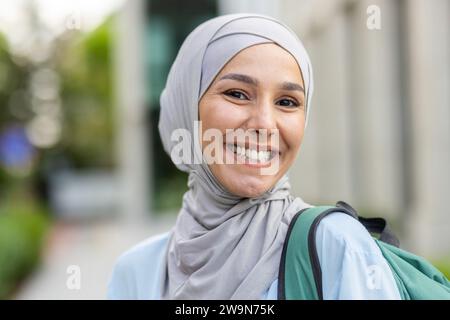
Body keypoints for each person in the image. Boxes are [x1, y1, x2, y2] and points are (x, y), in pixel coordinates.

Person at [107, 13, 400, 300]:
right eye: (237, 94)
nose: (263, 124)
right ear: (187, 107)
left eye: (287, 102)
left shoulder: (338, 248)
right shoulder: (136, 272)